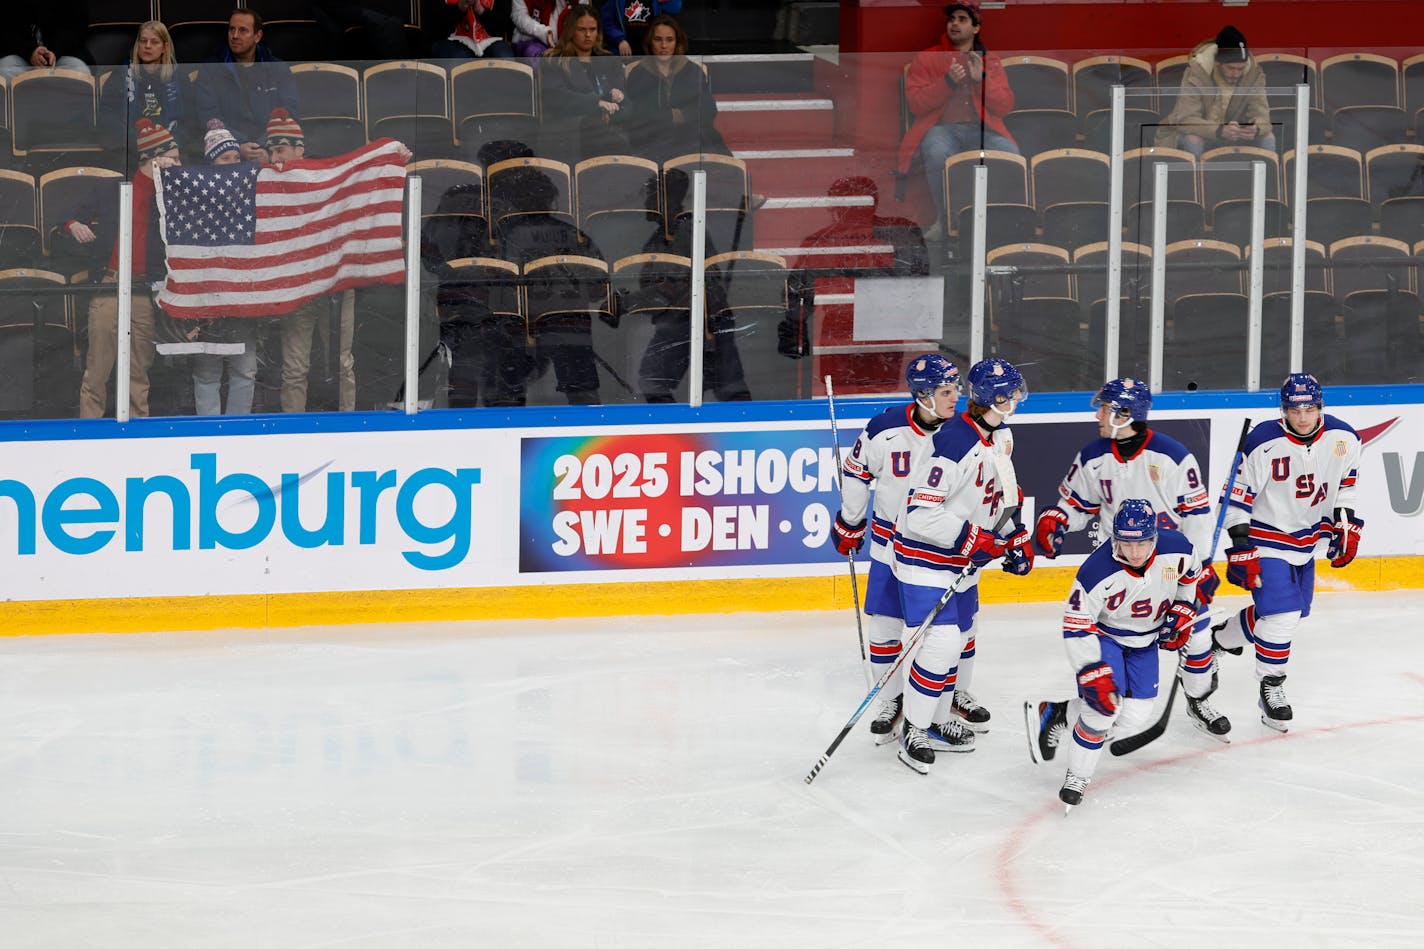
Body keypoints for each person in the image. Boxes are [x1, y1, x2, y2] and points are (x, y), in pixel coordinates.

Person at [1031, 378, 1227, 738]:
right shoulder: (1093, 455)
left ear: (1124, 414)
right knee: (1107, 649)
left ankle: (1198, 698)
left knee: (1197, 637)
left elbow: (1198, 519)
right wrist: (1058, 519)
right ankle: (1078, 714)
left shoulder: (1172, 456)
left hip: (1171, 568)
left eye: (1104, 409)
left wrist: (1201, 568)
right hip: (1119, 569)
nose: (1097, 415)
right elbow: (1077, 505)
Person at [831, 354, 986, 754]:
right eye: (946, 391)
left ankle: (948, 703)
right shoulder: (885, 428)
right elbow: (856, 472)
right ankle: (890, 699)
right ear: (922, 395)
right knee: (884, 628)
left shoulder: (966, 430)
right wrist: (851, 520)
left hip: (944, 550)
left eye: (957, 389)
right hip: (888, 547)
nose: (957, 398)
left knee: (958, 632)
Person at [889, 357, 1034, 774]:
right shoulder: (953, 443)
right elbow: (919, 513)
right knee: (941, 643)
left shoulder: (999, 436)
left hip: (960, 560)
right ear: (996, 399)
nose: (1019, 401)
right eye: (1013, 395)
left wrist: (1016, 535)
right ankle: (913, 730)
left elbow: (1005, 488)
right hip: (923, 558)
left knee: (965, 634)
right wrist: (976, 539)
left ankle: (936, 720)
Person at [1026, 499, 1204, 809]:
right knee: (1102, 710)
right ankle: (1077, 776)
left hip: (1145, 642)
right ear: (1114, 538)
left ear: (1155, 538)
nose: (1134, 552)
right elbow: (1076, 626)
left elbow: (1190, 576)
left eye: (1143, 543)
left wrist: (1184, 607)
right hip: (1104, 638)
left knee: (1135, 714)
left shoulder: (1178, 549)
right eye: (1126, 543)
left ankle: (1056, 713)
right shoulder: (1096, 571)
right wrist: (1090, 669)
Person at [1211, 373, 1363, 731]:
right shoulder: (1262, 442)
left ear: (1320, 406)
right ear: (1284, 410)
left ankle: (1219, 639)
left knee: (1286, 613)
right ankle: (1271, 687)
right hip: (1267, 535)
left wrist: (1346, 524)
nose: (1304, 417)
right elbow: (1234, 501)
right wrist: (1241, 545)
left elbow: (1346, 487)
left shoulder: (1345, 438)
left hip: (1307, 539)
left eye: (1310, 408)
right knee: (1283, 617)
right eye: (1295, 410)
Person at [54, 119, 179, 418]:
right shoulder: (112, 189)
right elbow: (64, 216)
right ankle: (89, 436)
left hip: (143, 291)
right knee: (97, 370)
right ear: (154, 157)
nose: (179, 164)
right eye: (174, 157)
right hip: (110, 286)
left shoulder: (171, 193)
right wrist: (74, 225)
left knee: (139, 372)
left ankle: (137, 434)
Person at [897, 2, 1017, 242]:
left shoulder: (989, 60)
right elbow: (916, 104)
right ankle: (946, 221)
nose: (954, 24)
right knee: (937, 151)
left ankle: (996, 221)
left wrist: (980, 80)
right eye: (952, 19)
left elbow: (1004, 106)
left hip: (981, 131)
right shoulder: (927, 58)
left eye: (962, 19)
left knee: (1009, 152)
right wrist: (948, 83)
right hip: (942, 130)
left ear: (975, 28)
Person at [498, 164, 604, 404]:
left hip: (523, 326)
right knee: (583, 396)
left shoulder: (506, 237)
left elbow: (496, 283)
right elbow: (599, 287)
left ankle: (507, 438)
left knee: (509, 394)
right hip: (571, 325)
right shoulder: (575, 235)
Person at [188, 123, 260, 417]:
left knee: (245, 369)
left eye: (235, 158)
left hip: (242, 299)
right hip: (208, 299)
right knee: (207, 372)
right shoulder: (194, 199)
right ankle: (209, 431)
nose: (232, 164)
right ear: (211, 163)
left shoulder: (251, 192)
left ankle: (237, 430)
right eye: (224, 159)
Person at [193, 9, 299, 163]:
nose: (235, 36)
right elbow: (208, 116)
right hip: (228, 153)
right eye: (232, 29)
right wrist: (238, 145)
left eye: (243, 30)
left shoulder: (278, 69)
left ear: (258, 36)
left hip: (270, 151)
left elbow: (289, 114)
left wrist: (264, 147)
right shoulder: (210, 68)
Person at [1155, 25, 1275, 157]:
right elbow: (1186, 120)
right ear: (1218, 64)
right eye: (1231, 68)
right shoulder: (1196, 73)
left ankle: (1268, 177)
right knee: (1193, 140)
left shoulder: (1254, 75)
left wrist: (1255, 129)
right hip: (1190, 133)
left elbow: (1263, 117)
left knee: (1268, 138)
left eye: (1240, 69)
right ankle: (1193, 177)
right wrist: (1219, 130)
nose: (1236, 74)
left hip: (1232, 135)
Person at [623, 14, 729, 164]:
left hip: (689, 139)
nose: (664, 46)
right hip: (651, 142)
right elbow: (637, 114)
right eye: (658, 39)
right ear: (650, 42)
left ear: (677, 42)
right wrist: (674, 116)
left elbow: (708, 109)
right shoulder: (638, 73)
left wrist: (673, 116)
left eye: (669, 40)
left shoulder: (692, 71)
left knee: (723, 168)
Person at [539, 4, 629, 164]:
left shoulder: (609, 60)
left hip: (608, 131)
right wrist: (596, 103)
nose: (588, 35)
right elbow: (556, 97)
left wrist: (618, 96)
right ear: (571, 30)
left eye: (593, 29)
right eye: (581, 29)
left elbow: (626, 102)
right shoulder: (554, 60)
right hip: (570, 133)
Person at [100, 21, 188, 173]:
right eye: (143, 41)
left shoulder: (179, 77)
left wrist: (169, 144)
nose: (147, 46)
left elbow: (189, 119)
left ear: (164, 47)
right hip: (132, 150)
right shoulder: (121, 75)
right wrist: (139, 142)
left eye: (154, 42)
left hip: (170, 150)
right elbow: (108, 117)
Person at [0, 2, 92, 80]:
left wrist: (53, 51)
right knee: (3, 71)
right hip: (20, 55)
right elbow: (6, 29)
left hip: (61, 55)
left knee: (80, 72)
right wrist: (30, 52)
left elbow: (76, 26)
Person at [432, 0, 515, 60]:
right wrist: (461, 6)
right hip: (452, 40)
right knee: (460, 59)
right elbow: (436, 28)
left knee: (504, 57)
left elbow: (501, 27)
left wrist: (480, 10)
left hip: (490, 40)